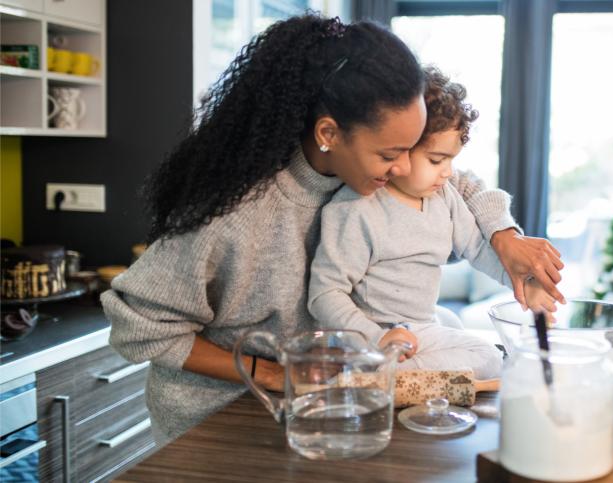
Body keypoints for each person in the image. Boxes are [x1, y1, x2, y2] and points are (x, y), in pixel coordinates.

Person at [101, 14, 564, 444]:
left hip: (313, 408)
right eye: (389, 154)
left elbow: (459, 183)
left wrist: (505, 237)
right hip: (221, 424)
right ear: (329, 133)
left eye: (412, 151)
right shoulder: (237, 214)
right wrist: (272, 373)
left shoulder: (369, 174)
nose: (404, 168)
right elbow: (141, 329)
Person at [308, 67, 558, 379]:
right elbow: (324, 294)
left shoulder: (444, 198)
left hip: (417, 326)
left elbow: (479, 249)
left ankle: (390, 377)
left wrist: (523, 286)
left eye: (452, 160)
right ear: (400, 146)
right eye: (436, 160)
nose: (447, 172)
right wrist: (377, 338)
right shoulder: (356, 209)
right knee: (489, 359)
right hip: (374, 336)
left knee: (451, 321)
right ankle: (372, 379)